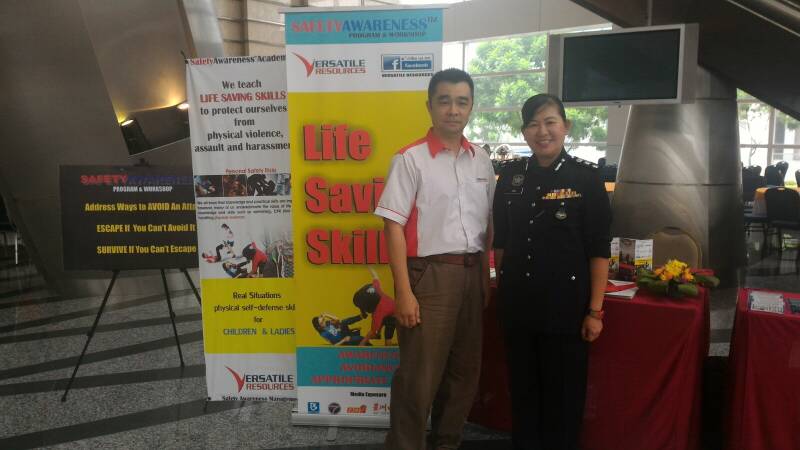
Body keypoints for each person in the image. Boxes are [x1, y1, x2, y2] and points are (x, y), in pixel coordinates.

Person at [374, 68, 495, 450]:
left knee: (463, 375)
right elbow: (392, 226)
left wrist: (485, 277)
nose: (453, 110)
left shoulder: (481, 161)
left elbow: (488, 224)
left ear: (471, 107)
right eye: (444, 101)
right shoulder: (410, 159)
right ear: (429, 106)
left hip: (472, 274)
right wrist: (403, 292)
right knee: (418, 379)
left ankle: (447, 443)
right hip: (429, 278)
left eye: (462, 102)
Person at [492, 93, 611, 450]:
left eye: (549, 122)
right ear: (524, 132)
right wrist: (501, 288)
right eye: (533, 124)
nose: (542, 131)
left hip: (565, 309)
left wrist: (595, 311)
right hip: (518, 305)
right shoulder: (510, 176)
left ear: (565, 127)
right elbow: (501, 241)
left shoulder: (586, 178)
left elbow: (599, 250)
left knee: (563, 399)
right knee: (523, 395)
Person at [352, 267, 396, 347]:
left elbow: (372, 331)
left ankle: (384, 342)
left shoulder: (378, 313)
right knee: (379, 328)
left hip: (393, 317)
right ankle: (378, 333)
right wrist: (370, 268)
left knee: (388, 337)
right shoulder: (376, 289)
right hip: (389, 311)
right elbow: (375, 276)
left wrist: (362, 343)